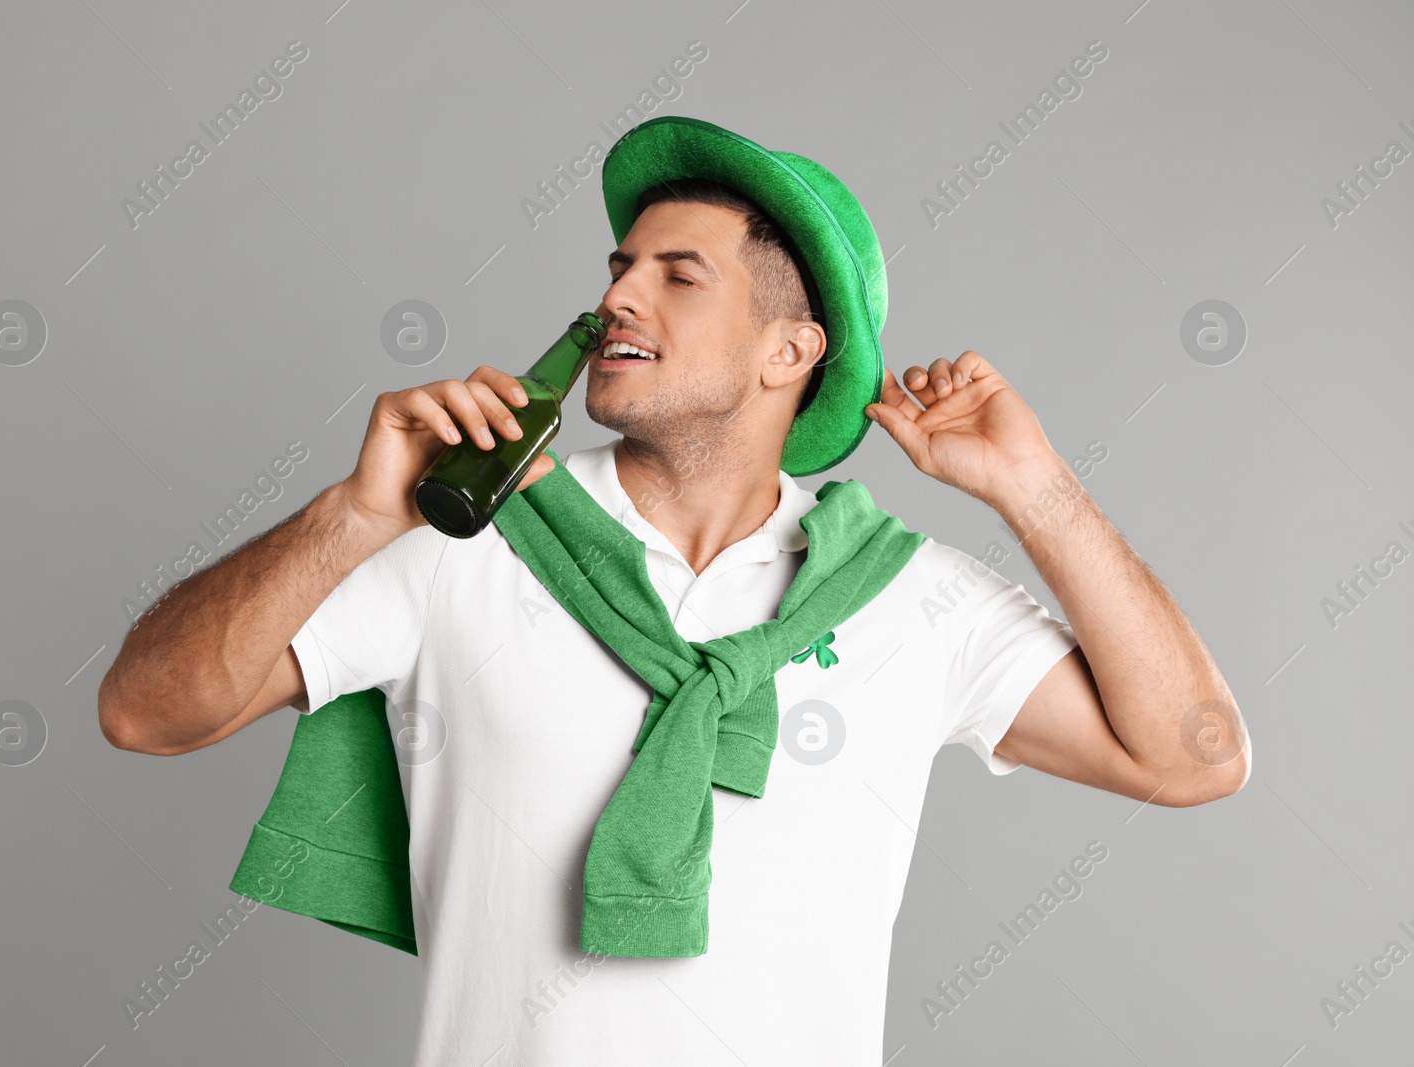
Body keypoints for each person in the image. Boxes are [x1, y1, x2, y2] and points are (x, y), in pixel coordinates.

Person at [96, 117, 1249, 1065]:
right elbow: (145, 711)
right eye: (617, 268)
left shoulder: (904, 598)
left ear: (789, 352)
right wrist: (349, 514)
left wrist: (1033, 489)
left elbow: (1192, 756)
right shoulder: (465, 538)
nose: (615, 299)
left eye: (674, 275)